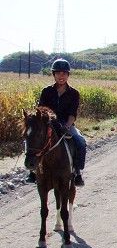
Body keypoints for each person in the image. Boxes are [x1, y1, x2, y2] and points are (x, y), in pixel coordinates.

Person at [26, 58, 86, 187]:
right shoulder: (46, 91)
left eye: (64, 73)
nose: (61, 76)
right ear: (53, 74)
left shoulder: (74, 93)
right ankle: (32, 171)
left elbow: (72, 114)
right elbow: (41, 110)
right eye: (58, 73)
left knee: (80, 141)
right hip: (48, 123)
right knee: (31, 139)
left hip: (66, 123)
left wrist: (67, 126)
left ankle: (77, 172)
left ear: (68, 75)